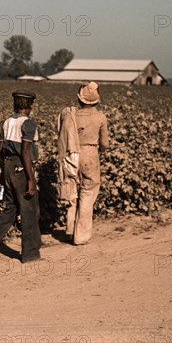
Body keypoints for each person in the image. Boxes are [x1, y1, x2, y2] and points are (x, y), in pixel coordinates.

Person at [0, 90, 41, 263]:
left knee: (10, 210)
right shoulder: (28, 124)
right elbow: (26, 152)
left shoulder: (7, 123)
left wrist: (4, 172)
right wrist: (31, 180)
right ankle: (31, 254)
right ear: (30, 106)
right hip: (21, 168)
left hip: (9, 167)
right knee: (29, 211)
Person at [57, 82, 109, 245]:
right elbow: (105, 143)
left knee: (73, 190)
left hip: (72, 154)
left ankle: (70, 228)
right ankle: (81, 235)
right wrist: (100, 149)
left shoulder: (71, 115)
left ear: (80, 99)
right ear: (96, 100)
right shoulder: (100, 117)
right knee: (88, 192)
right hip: (90, 154)